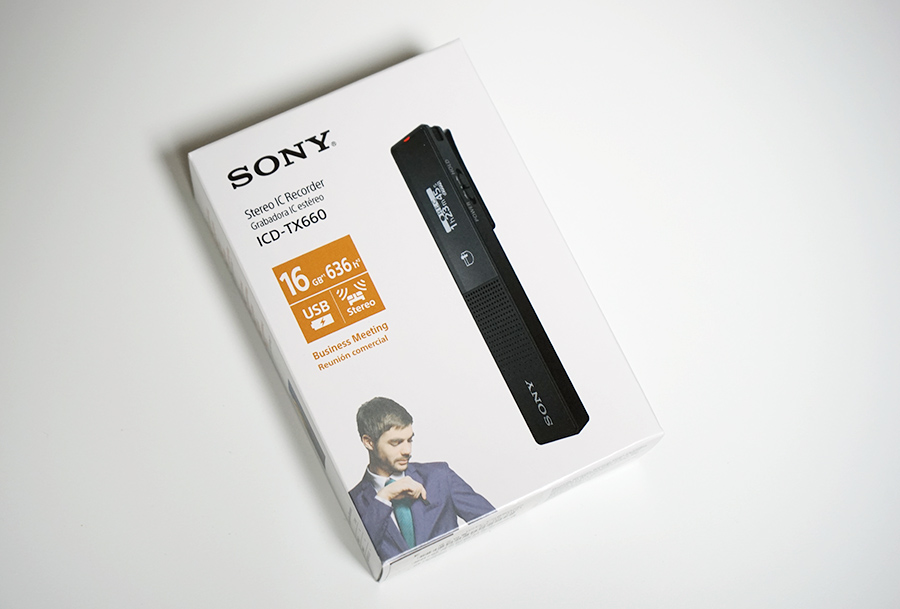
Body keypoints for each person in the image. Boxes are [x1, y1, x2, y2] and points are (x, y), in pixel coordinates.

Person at [348, 397, 494, 561]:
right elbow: (356, 557)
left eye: (409, 440)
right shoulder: (352, 502)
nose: (407, 450)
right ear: (369, 442)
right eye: (396, 443)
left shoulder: (439, 477)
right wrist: (384, 497)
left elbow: (494, 523)